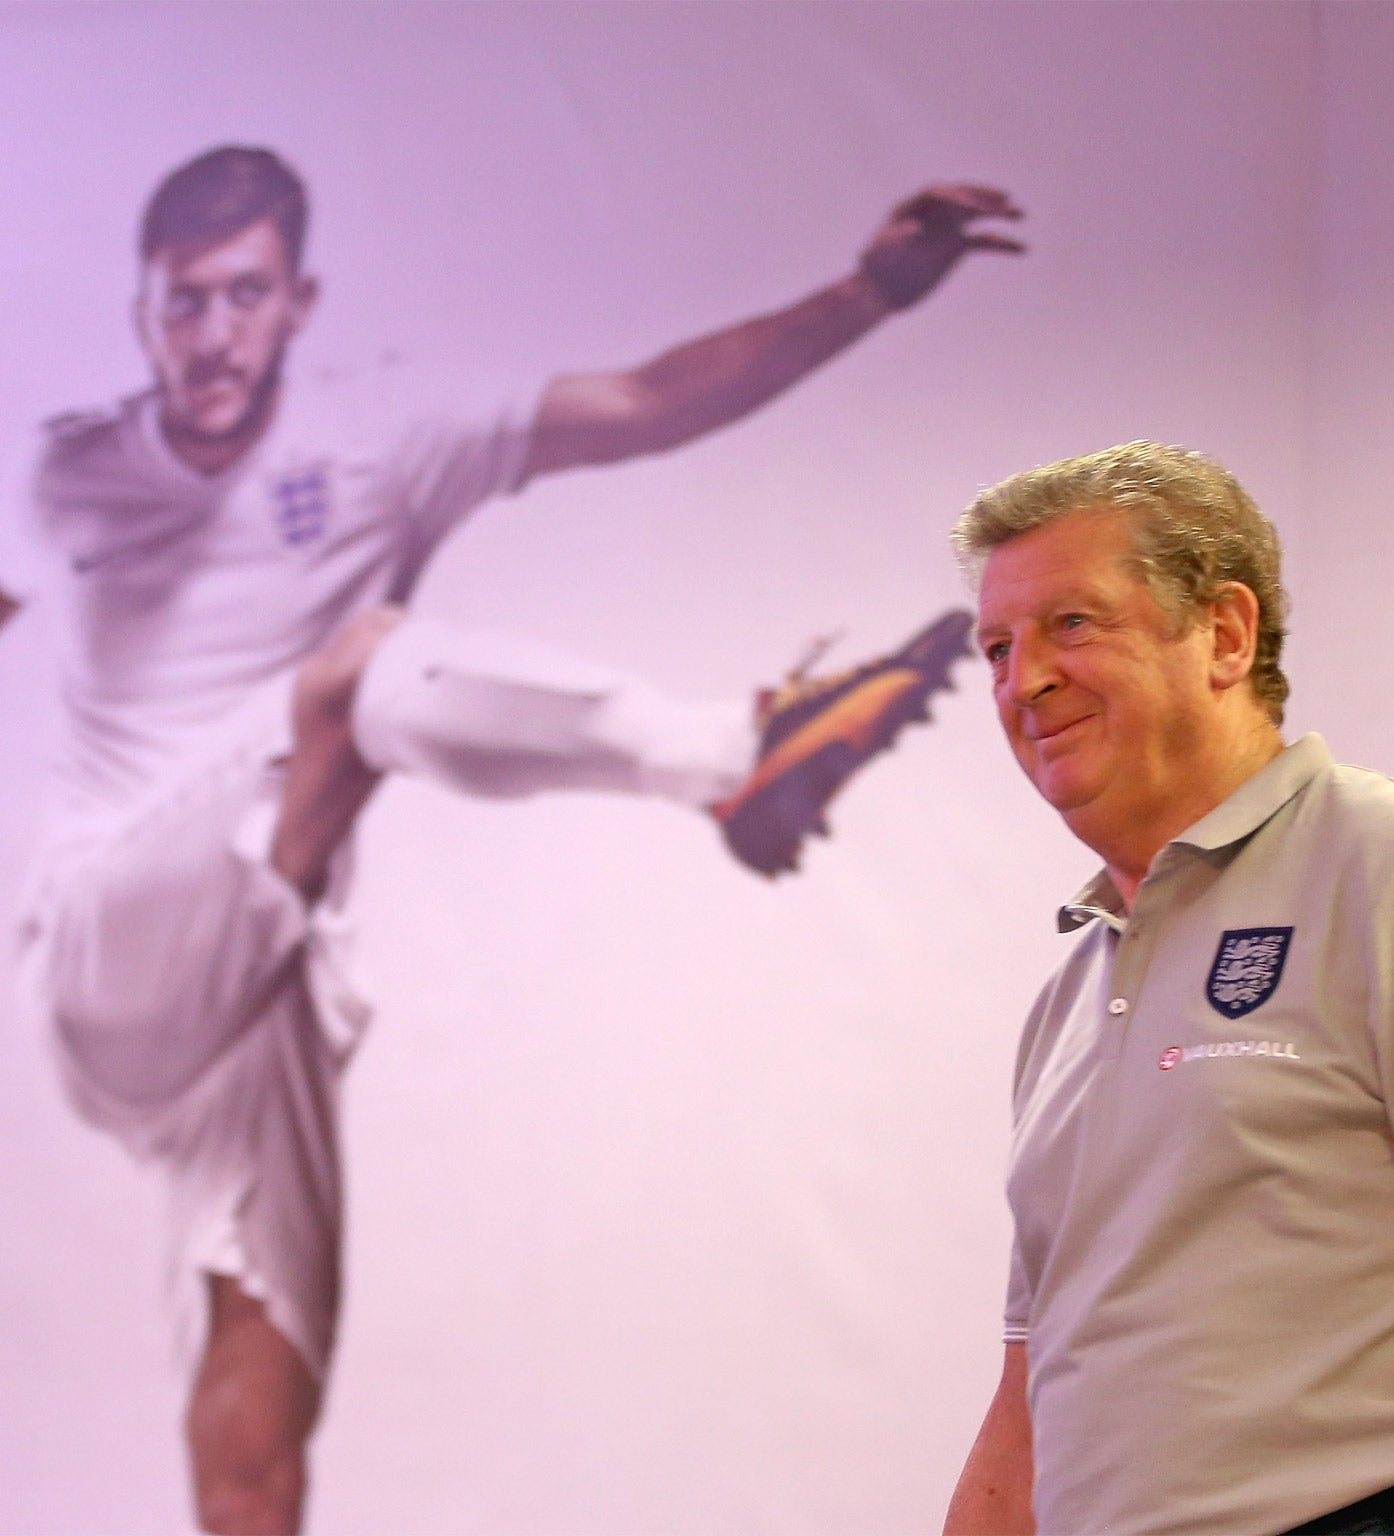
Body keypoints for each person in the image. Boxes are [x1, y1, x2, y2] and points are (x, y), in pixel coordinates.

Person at [0, 144, 1023, 1535]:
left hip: (264, 974)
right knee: (358, 672)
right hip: (109, 947)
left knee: (261, 1432)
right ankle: (730, 757)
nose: (211, 336)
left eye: (241, 297)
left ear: (297, 299)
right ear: (141, 314)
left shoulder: (382, 431)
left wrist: (868, 293)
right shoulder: (61, 475)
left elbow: (648, 402)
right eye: (181, 305)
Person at [943, 441, 1394, 1536]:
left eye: (1071, 624)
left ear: (1224, 634)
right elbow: (1029, 1399)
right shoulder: (1070, 988)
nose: (1022, 679)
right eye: (996, 646)